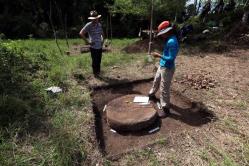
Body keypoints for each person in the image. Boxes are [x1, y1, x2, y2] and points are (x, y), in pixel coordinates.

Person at [148, 21, 179, 118]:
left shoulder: (172, 41)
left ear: (168, 32)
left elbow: (171, 58)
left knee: (164, 88)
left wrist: (158, 55)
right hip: (162, 65)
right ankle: (151, 94)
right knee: (156, 80)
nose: (162, 36)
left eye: (162, 34)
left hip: (168, 67)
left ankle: (165, 108)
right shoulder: (169, 39)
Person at [79, 10, 104, 76]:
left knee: (99, 60)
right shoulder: (89, 25)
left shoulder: (99, 24)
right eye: (94, 19)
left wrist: (103, 40)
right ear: (92, 19)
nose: (95, 20)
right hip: (93, 46)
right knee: (95, 61)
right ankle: (95, 74)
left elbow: (102, 33)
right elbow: (81, 33)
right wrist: (88, 42)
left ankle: (98, 73)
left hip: (100, 46)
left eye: (96, 18)